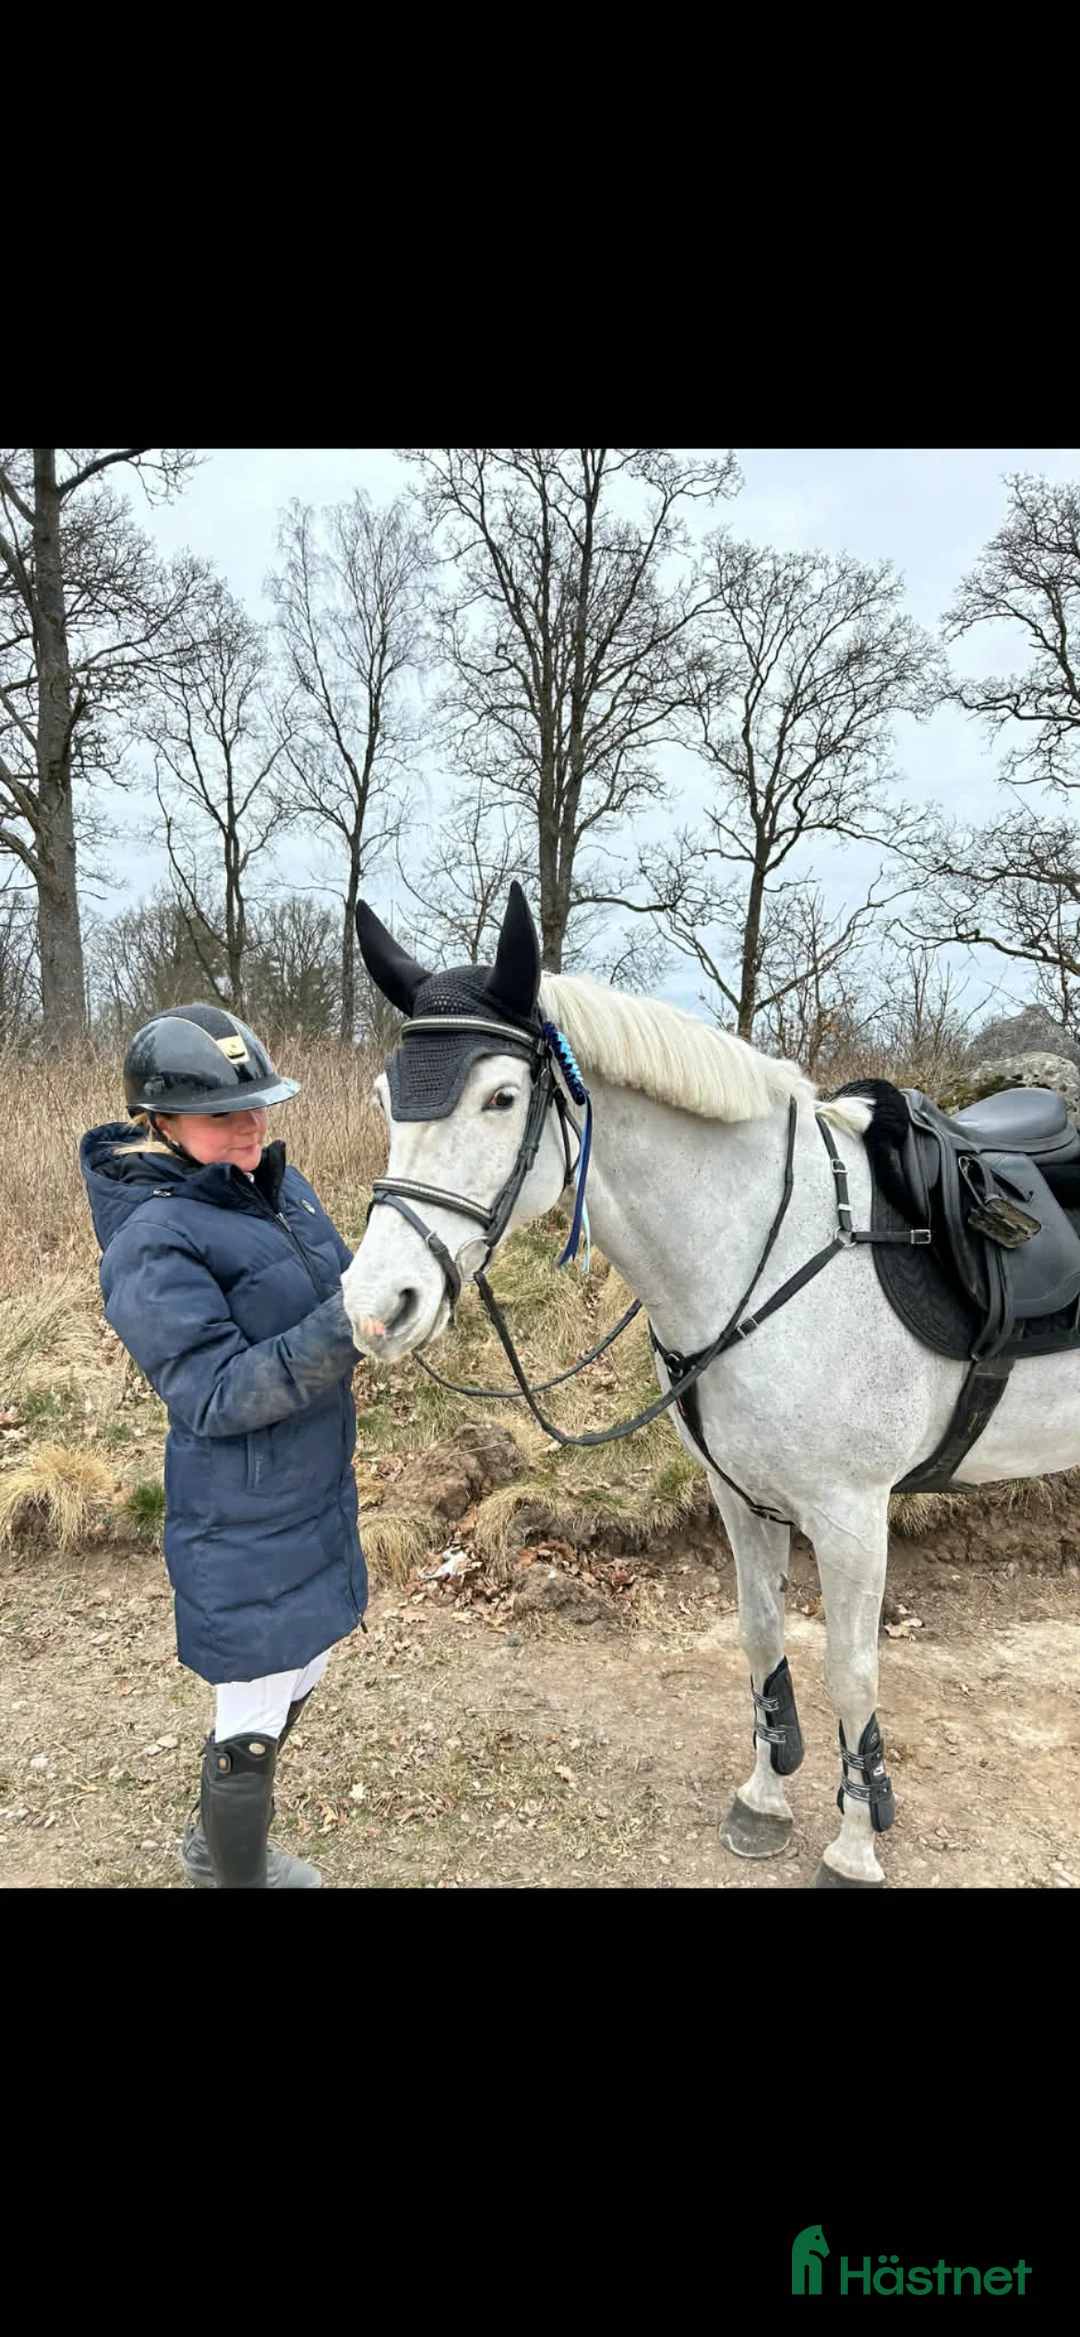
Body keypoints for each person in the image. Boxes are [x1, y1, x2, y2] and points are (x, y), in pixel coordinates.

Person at [79, 1002, 367, 1889]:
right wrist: (349, 1325)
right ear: (159, 1123)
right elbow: (212, 1390)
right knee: (249, 1712)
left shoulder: (279, 1185)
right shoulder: (150, 1240)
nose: (251, 1126)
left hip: (313, 1489)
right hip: (241, 1516)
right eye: (223, 1114)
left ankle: (215, 1841)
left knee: (303, 1664)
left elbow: (343, 1277)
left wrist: (405, 1284)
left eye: (259, 1104)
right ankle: (226, 1870)